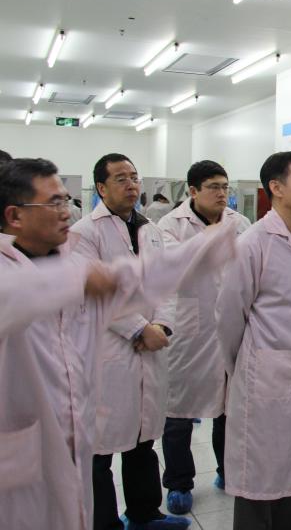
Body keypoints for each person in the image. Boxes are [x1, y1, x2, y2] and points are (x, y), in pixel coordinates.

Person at [0, 157, 235, 530]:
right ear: (14, 216)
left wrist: (164, 317)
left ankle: (142, 514)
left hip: (83, 411)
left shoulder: (87, 250)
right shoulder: (31, 264)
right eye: (53, 202)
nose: (66, 210)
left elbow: (140, 281)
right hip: (26, 450)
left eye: (65, 199)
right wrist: (134, 322)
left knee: (135, 444)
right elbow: (39, 290)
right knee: (90, 468)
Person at [72, 154, 190, 530]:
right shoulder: (85, 233)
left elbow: (167, 283)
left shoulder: (150, 230)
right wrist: (140, 329)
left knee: (143, 439)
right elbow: (96, 292)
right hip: (109, 349)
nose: (131, 185)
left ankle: (144, 514)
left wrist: (163, 326)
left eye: (134, 177)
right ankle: (103, 522)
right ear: (101, 188)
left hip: (150, 348)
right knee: (101, 447)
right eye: (121, 178)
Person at [214, 151, 291, 530]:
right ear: (276, 188)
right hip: (265, 382)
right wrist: (248, 368)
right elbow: (228, 316)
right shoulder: (252, 243)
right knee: (258, 480)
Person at [156, 161, 251, 514]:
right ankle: (179, 483)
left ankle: (228, 471)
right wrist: (213, 239)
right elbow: (176, 267)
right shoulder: (170, 225)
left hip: (231, 327)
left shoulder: (240, 223)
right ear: (193, 191)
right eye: (214, 187)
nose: (222, 193)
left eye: (225, 187)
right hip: (189, 332)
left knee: (229, 410)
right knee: (178, 413)